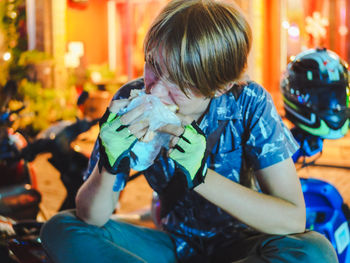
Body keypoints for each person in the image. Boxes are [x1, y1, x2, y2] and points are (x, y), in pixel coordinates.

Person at [40, 0, 338, 262]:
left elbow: (292, 218)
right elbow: (93, 217)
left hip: (242, 246)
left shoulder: (249, 102)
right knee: (60, 228)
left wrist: (201, 176)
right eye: (153, 65)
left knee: (313, 251)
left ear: (221, 86)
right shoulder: (129, 100)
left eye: (179, 83)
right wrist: (108, 163)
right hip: (173, 245)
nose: (154, 89)